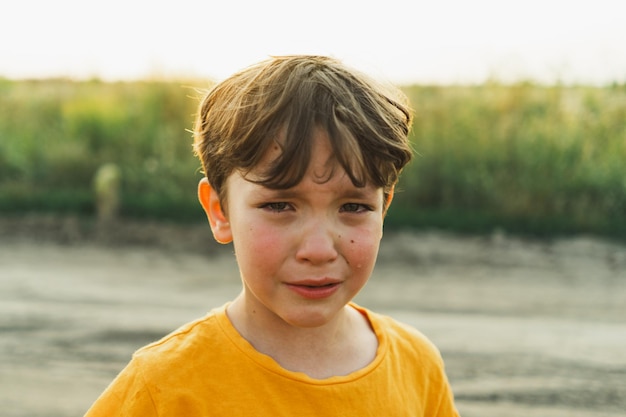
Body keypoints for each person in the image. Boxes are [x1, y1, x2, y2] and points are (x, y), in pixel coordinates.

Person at [84, 55, 459, 416]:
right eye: (280, 206)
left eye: (354, 207)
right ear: (220, 211)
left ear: (384, 210)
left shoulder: (417, 367)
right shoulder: (162, 387)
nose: (318, 250)